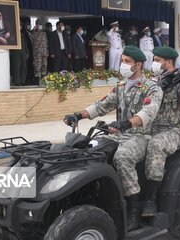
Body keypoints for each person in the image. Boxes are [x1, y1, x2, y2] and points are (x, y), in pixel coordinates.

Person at [63, 45, 163, 231]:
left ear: (138, 65)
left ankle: (133, 207)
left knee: (122, 157)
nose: (122, 65)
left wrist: (127, 123)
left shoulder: (151, 88)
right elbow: (101, 105)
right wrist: (78, 115)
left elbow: (149, 111)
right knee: (91, 149)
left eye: (127, 62)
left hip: (141, 136)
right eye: (122, 61)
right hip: (119, 134)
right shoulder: (121, 87)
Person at [141, 46, 180, 217]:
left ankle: (150, 199)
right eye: (154, 60)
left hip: (173, 130)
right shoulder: (152, 80)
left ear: (169, 62)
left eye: (158, 60)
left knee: (156, 145)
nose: (154, 63)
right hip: (150, 128)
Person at [30, 19, 49, 85]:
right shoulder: (33, 33)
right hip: (37, 53)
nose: (40, 26)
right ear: (36, 25)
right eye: (39, 25)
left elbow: (46, 43)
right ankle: (37, 81)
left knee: (44, 65)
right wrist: (33, 30)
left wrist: (47, 51)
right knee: (37, 67)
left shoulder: (44, 33)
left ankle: (43, 80)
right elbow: (32, 39)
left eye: (41, 25)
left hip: (44, 52)